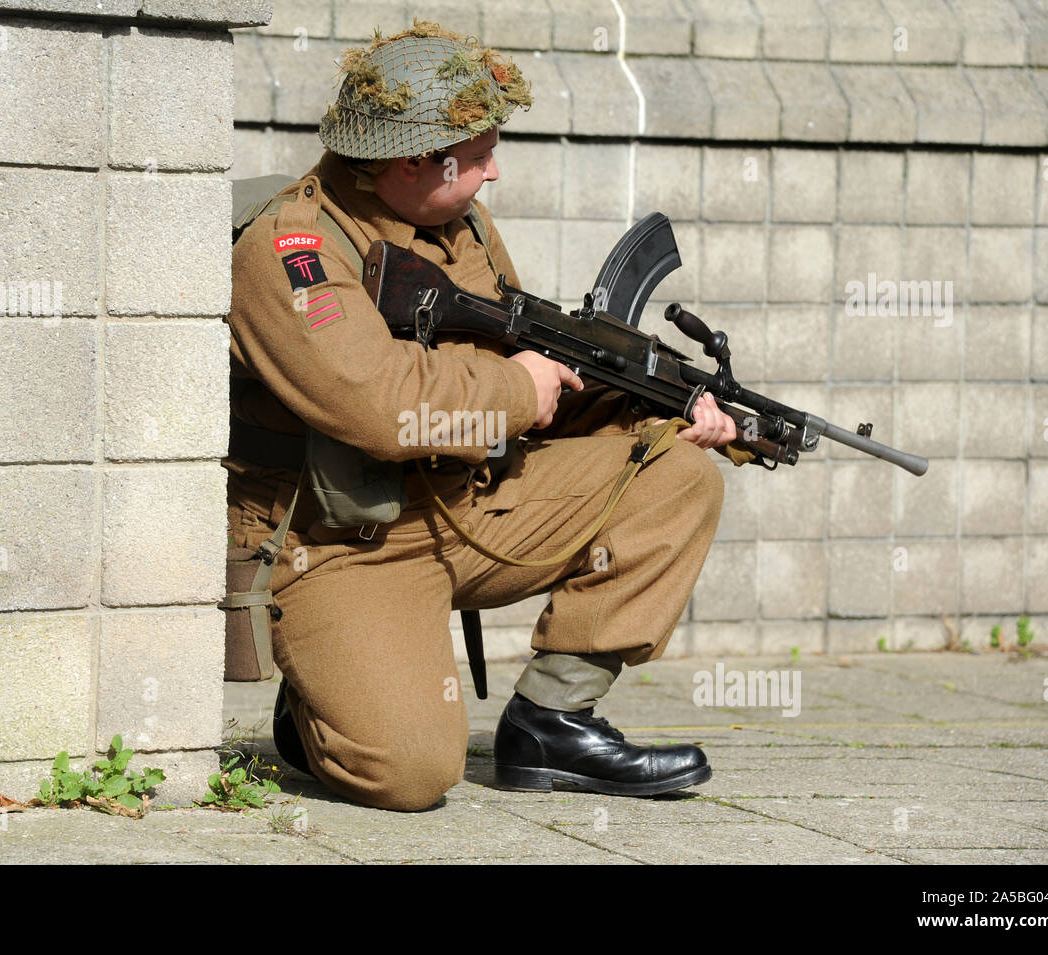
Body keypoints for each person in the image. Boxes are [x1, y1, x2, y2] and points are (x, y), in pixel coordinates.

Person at [224, 20, 742, 812]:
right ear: (408, 160)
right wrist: (513, 392)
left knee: (672, 470)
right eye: (477, 156)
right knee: (410, 775)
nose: (493, 171)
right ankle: (319, 705)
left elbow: (526, 371)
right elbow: (377, 404)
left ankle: (552, 723)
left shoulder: (460, 226)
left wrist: (658, 403)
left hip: (467, 502)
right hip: (340, 541)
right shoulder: (290, 246)